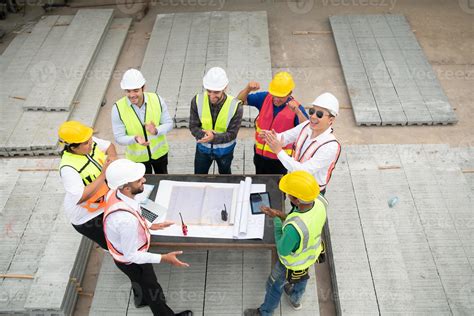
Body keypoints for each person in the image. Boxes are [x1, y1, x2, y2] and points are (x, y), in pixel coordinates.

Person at [104, 159, 193, 316]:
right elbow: (132, 255)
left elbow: (135, 210)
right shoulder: (126, 221)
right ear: (125, 188)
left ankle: (141, 299)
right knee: (154, 292)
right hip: (133, 261)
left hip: (123, 256)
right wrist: (164, 258)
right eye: (139, 180)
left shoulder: (115, 193)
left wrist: (149, 225)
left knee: (139, 283)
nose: (144, 180)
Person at [244, 171, 327, 315]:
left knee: (274, 286)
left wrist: (275, 220)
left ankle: (265, 312)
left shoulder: (293, 229)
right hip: (311, 255)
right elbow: (301, 218)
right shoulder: (319, 201)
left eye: (289, 193)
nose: (287, 194)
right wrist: (279, 214)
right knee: (302, 278)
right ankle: (295, 299)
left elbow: (282, 249)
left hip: (291, 263)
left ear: (297, 200)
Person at [261, 92, 341, 195]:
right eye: (312, 111)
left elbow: (303, 171)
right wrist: (273, 136)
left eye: (319, 114)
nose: (312, 117)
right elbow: (285, 138)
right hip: (296, 183)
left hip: (311, 193)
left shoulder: (330, 146)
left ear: (331, 119)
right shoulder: (306, 126)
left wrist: (279, 151)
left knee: (303, 211)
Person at [58, 121, 117, 250]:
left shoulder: (88, 142)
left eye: (90, 139)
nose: (91, 143)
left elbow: (109, 146)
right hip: (87, 217)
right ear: (73, 148)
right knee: (111, 244)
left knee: (117, 235)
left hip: (103, 204)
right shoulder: (68, 168)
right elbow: (80, 197)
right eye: (86, 143)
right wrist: (103, 175)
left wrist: (112, 158)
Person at [237, 72, 308, 174]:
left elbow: (307, 129)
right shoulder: (265, 98)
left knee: (277, 187)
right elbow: (239, 101)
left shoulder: (296, 108)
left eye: (281, 96)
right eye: (275, 95)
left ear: (290, 93)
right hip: (259, 156)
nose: (276, 99)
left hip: (279, 160)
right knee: (260, 183)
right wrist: (247, 89)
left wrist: (298, 113)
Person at [111, 68, 173, 174]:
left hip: (160, 154)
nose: (132, 95)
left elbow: (169, 123)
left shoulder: (157, 99)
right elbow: (119, 137)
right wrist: (134, 139)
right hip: (137, 160)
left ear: (143, 88)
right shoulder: (117, 108)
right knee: (143, 186)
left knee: (162, 179)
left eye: (136, 90)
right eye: (128, 91)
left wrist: (156, 131)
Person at [189, 67, 243, 174]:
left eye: (216, 92)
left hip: (225, 152)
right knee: (199, 177)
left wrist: (213, 137)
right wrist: (204, 136)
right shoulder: (197, 100)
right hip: (203, 150)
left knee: (225, 178)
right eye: (209, 91)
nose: (212, 96)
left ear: (225, 88)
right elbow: (193, 126)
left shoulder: (235, 106)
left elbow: (232, 134)